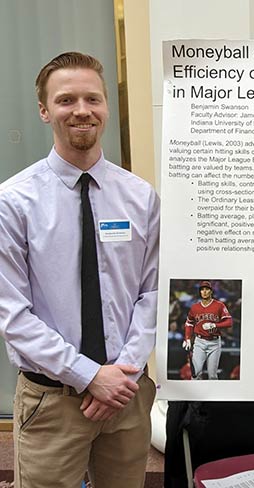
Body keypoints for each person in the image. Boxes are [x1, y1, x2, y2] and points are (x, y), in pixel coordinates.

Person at [0, 52, 160, 488]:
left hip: (126, 395)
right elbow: (12, 315)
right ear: (44, 110)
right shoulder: (13, 202)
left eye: (93, 98)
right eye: (66, 99)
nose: (82, 110)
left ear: (107, 107)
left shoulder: (141, 197)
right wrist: (89, 375)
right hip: (53, 402)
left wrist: (121, 374)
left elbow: (153, 292)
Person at [182, 281, 233, 379]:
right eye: (202, 290)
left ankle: (213, 394)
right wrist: (187, 338)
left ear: (211, 292)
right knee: (196, 373)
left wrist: (215, 325)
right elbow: (189, 323)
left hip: (214, 342)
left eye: (207, 289)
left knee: (212, 375)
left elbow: (229, 322)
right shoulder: (195, 307)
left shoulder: (219, 305)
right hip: (199, 342)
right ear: (200, 292)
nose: (204, 292)